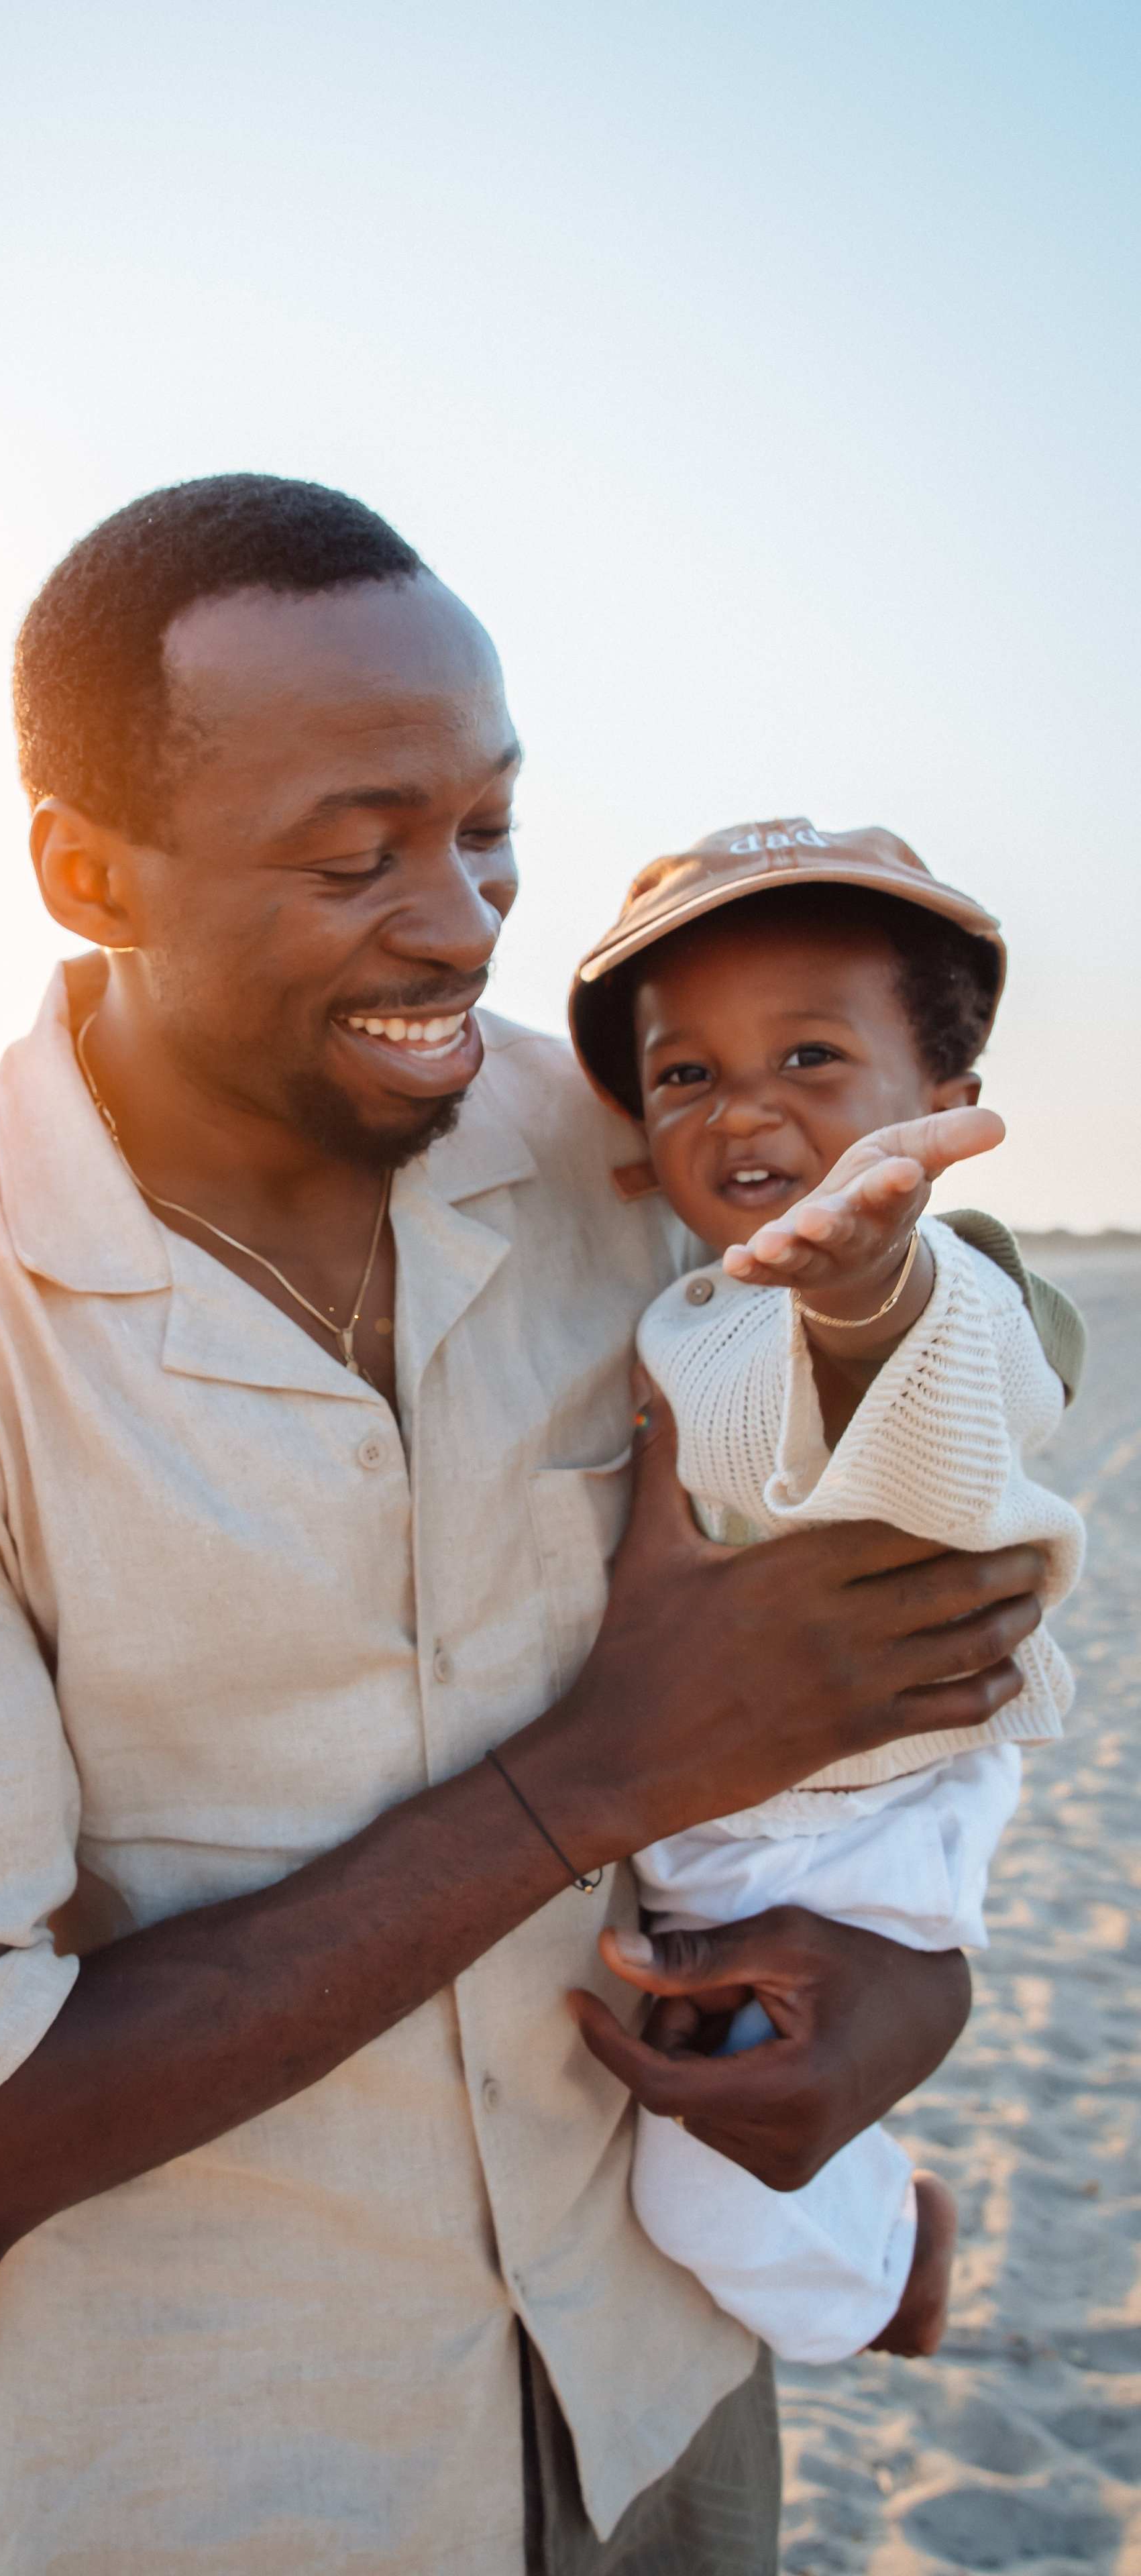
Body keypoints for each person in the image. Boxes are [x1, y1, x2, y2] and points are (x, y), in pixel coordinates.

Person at [0, 478, 1056, 2576]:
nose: (462, 921)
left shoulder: (623, 1144)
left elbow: (909, 1663)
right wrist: (597, 1770)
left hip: (661, 2399)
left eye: (488, 828)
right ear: (87, 873)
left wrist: (897, 2014)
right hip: (216, 2487)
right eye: (356, 857)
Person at [566, 820, 1085, 2372]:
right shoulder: (696, 1294)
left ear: (941, 1105)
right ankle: (859, 2214)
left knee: (703, 2193)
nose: (743, 1109)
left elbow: (948, 1385)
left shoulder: (951, 1281)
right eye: (684, 1075)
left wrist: (864, 1284)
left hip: (848, 1822)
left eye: (808, 1055)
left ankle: (892, 2276)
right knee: (716, 2079)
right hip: (741, 1818)